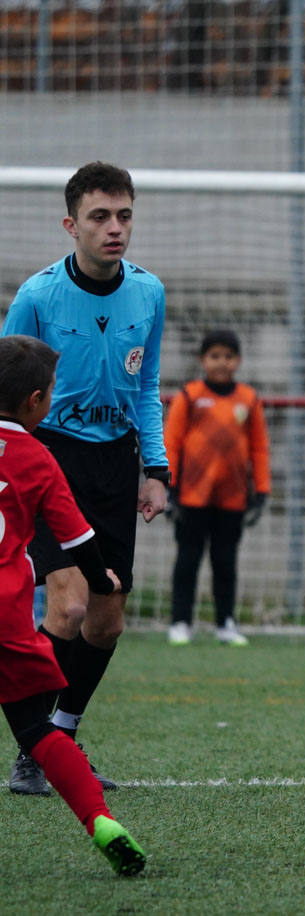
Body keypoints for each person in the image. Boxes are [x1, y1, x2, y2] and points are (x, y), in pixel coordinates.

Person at [2, 162, 168, 795]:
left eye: (124, 215)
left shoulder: (149, 292)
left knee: (106, 621)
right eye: (100, 216)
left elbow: (146, 384)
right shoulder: (38, 297)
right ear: (71, 225)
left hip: (113, 464)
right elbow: (4, 387)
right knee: (67, 606)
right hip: (48, 461)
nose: (114, 228)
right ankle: (33, 749)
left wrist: (155, 468)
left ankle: (60, 740)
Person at [0, 335, 146, 875]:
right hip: (7, 618)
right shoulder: (37, 458)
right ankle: (102, 821)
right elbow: (79, 538)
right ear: (36, 401)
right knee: (38, 731)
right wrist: (99, 574)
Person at [164, 329, 271, 647]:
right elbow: (172, 442)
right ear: (202, 360)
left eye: (228, 356)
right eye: (214, 356)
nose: (221, 363)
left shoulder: (248, 400)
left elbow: (260, 448)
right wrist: (169, 486)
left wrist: (262, 490)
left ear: (237, 360)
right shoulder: (190, 396)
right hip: (192, 495)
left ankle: (226, 622)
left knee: (225, 562)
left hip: (233, 497)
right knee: (188, 559)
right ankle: (181, 621)